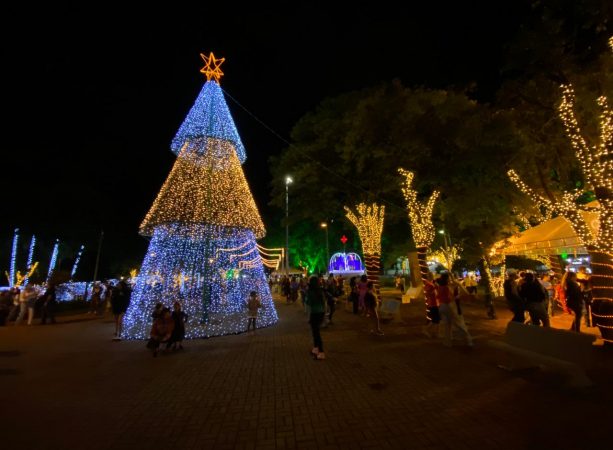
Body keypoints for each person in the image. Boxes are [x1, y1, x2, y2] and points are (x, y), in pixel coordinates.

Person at [437, 273, 472, 347]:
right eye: (450, 278)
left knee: (447, 325)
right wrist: (457, 295)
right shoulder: (449, 287)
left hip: (442, 307)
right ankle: (468, 340)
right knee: (459, 324)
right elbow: (450, 298)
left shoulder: (440, 286)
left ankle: (447, 342)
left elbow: (439, 296)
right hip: (450, 306)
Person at [305, 276, 326, 360]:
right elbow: (324, 302)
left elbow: (308, 303)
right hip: (321, 312)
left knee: (316, 333)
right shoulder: (320, 291)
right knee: (315, 332)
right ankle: (316, 348)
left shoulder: (310, 292)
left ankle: (321, 352)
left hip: (314, 313)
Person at [422, 272, 439, 338]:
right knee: (435, 319)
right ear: (429, 277)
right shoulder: (428, 284)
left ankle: (436, 333)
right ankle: (425, 329)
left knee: (437, 320)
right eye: (431, 276)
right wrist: (435, 288)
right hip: (433, 304)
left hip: (436, 303)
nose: (433, 277)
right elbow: (428, 293)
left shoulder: (432, 283)